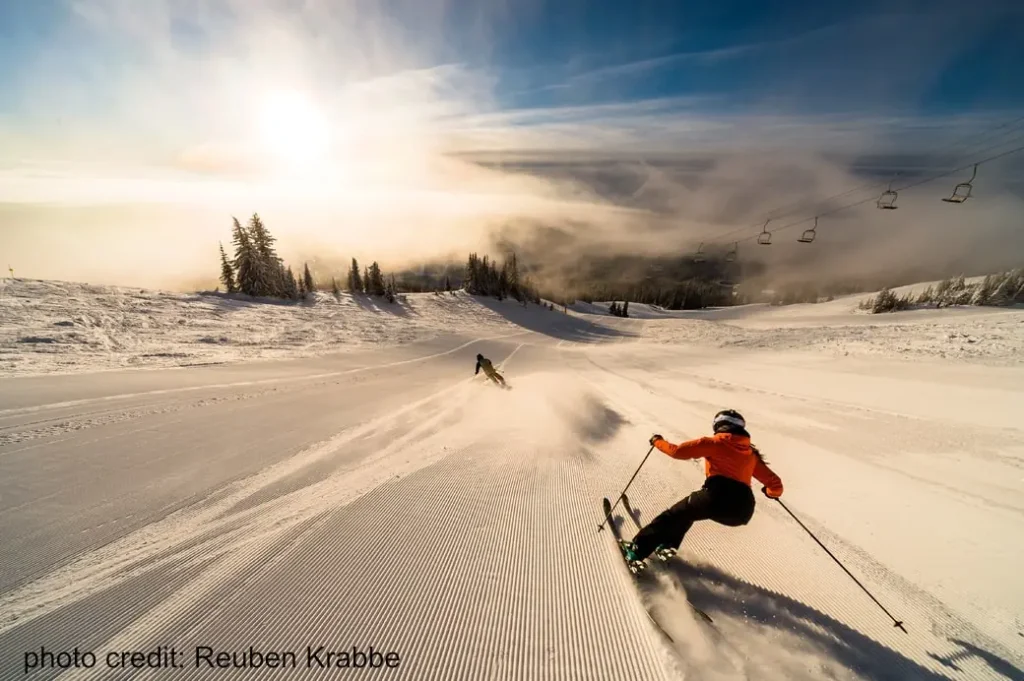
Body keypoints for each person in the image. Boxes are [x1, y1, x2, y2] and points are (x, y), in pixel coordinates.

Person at [620, 409, 783, 571]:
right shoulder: (750, 454)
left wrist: (657, 441)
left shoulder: (714, 443)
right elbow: (776, 486)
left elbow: (676, 452)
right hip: (742, 510)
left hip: (716, 495)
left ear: (718, 425)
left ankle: (637, 550)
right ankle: (667, 544)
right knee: (687, 513)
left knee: (670, 517)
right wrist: (769, 493)